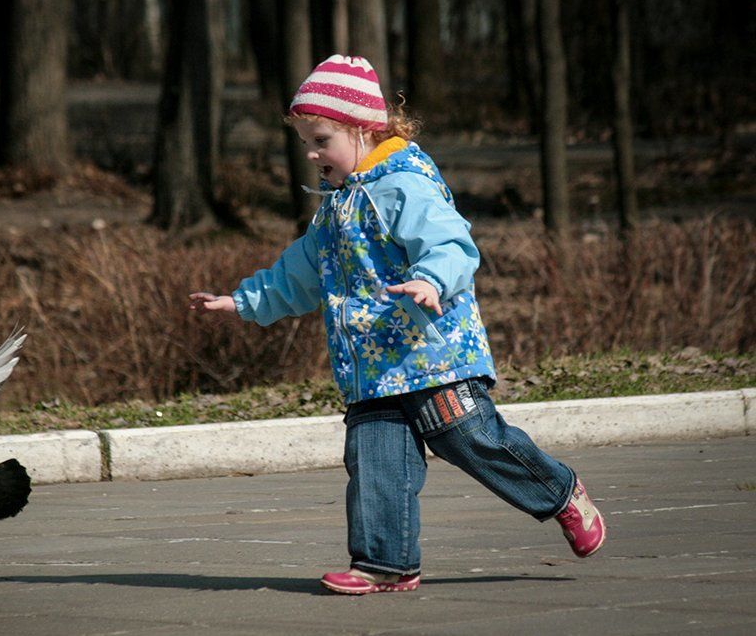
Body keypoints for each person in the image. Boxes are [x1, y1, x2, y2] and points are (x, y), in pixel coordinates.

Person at [189, 55, 606, 596]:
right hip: (372, 365)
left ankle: (560, 491)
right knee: (375, 458)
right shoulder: (336, 207)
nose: (312, 155)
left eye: (321, 140)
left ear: (363, 130)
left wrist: (432, 280)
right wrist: (242, 300)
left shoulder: (405, 186)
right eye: (307, 144)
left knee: (469, 436)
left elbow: (452, 244)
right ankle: (386, 563)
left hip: (432, 356)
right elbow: (301, 271)